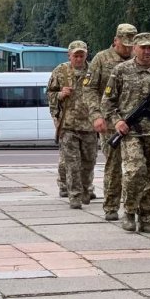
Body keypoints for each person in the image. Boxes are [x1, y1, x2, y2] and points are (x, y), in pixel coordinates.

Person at [101, 32, 150, 233]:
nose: (147, 51)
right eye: (143, 47)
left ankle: (148, 218)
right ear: (134, 48)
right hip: (131, 132)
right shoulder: (121, 70)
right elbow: (107, 101)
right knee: (135, 171)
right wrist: (117, 121)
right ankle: (129, 211)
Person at [85, 23, 136, 221]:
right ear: (116, 41)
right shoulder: (101, 59)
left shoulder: (138, 59)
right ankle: (111, 206)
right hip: (109, 121)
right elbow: (89, 89)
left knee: (137, 166)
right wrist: (96, 115)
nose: (128, 49)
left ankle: (136, 206)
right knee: (114, 165)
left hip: (134, 121)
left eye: (131, 45)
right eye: (125, 45)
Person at [47, 41, 97, 209]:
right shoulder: (60, 71)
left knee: (89, 161)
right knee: (72, 163)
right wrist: (60, 95)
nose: (79, 58)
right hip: (68, 125)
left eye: (81, 55)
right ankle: (74, 195)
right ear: (69, 56)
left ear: (86, 55)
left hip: (89, 125)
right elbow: (49, 94)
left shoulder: (94, 71)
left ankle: (85, 188)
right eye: (76, 55)